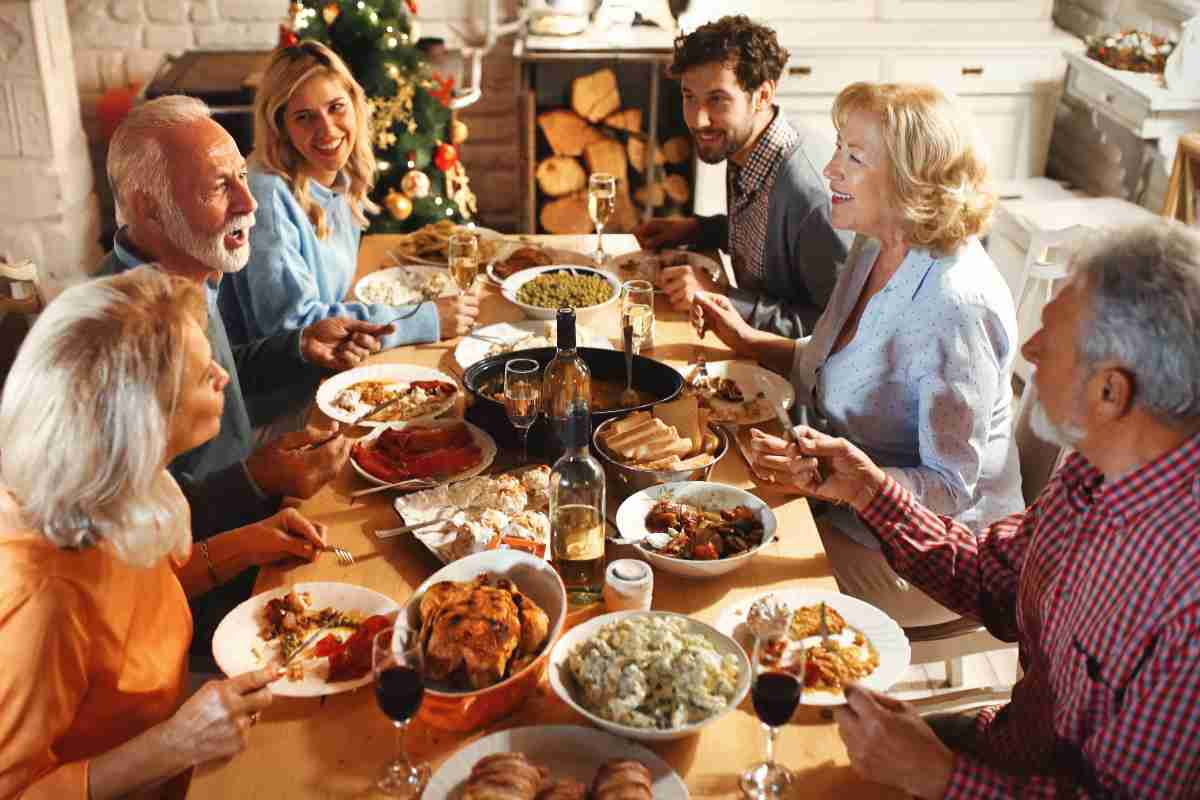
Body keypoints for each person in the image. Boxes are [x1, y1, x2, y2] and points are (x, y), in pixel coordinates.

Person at [764, 221, 1200, 798]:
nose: (1030, 349)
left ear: (1110, 392)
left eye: (1054, 334)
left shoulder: (1186, 606)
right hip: (999, 747)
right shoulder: (1095, 471)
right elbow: (990, 576)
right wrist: (869, 490)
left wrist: (940, 777)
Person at [0, 267, 332, 798]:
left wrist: (252, 541)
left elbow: (144, 599)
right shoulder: (39, 601)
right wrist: (176, 744)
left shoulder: (108, 486)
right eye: (205, 375)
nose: (225, 376)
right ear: (142, 422)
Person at [704, 82, 1023, 628]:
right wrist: (751, 343)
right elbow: (844, 363)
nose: (830, 170)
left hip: (931, 558)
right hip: (847, 504)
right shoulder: (877, 241)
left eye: (853, 156)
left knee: (729, 576)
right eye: (837, 148)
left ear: (910, 180)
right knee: (708, 512)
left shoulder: (954, 306)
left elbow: (949, 489)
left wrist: (842, 479)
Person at [99, 94, 382, 664]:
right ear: (146, 207)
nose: (250, 202)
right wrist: (256, 478)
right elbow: (131, 550)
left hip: (261, 538)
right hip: (200, 626)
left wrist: (299, 349)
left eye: (241, 179)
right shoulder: (115, 342)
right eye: (218, 187)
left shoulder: (188, 272)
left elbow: (219, 389)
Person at [219, 40, 480, 349]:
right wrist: (422, 320)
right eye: (304, 117)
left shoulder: (340, 177)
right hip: (278, 389)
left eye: (335, 107)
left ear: (354, 105)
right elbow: (296, 329)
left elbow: (329, 302)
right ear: (281, 126)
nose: (327, 129)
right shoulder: (268, 195)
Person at [632, 15, 847, 338]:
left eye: (717, 99)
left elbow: (840, 329)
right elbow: (764, 237)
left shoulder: (810, 195)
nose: (698, 119)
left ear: (762, 96)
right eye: (689, 97)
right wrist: (700, 228)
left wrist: (723, 298)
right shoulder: (745, 145)